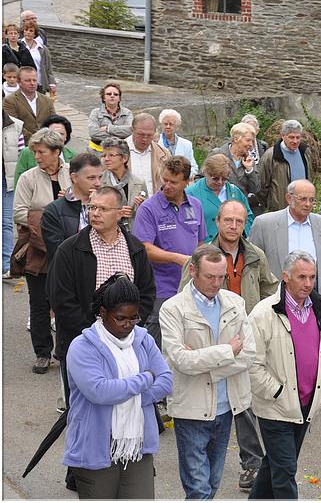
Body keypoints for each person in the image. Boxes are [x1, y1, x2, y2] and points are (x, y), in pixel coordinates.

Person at [177, 199, 277, 491]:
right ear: (217, 222)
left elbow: (270, 291)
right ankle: (203, 468)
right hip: (209, 340)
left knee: (244, 403)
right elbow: (184, 296)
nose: (234, 226)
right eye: (228, 220)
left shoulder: (256, 255)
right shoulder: (201, 256)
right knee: (215, 401)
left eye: (239, 221)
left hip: (244, 340)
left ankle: (251, 463)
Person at [63, 274, 172, 499]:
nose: (128, 325)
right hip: (95, 447)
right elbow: (100, 391)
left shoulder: (144, 339)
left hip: (138, 447)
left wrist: (129, 395)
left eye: (134, 319)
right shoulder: (82, 347)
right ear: (103, 313)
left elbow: (166, 381)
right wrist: (145, 378)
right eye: (121, 318)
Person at [160, 244, 256, 499]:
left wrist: (205, 364)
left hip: (226, 408)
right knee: (198, 489)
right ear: (192, 271)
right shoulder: (172, 309)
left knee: (212, 485)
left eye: (221, 276)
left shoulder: (236, 303)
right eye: (209, 277)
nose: (216, 283)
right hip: (191, 409)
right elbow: (181, 360)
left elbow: (249, 354)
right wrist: (227, 351)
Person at [47, 186, 156, 403]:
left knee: (125, 404)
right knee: (83, 411)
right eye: (92, 207)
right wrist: (94, 334)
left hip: (126, 343)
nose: (94, 213)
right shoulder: (70, 249)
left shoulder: (135, 248)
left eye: (103, 209)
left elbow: (147, 292)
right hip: (82, 342)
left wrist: (130, 325)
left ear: (120, 213)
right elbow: (61, 299)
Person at [248, 250, 321, 500]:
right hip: (275, 408)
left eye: (312, 277)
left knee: (274, 466)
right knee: (286, 471)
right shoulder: (263, 313)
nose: (308, 284)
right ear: (286, 277)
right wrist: (276, 391)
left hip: (307, 406)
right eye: (301, 277)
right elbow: (252, 364)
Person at [13, 128, 70, 374]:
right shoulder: (28, 177)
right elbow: (18, 212)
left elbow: (86, 202)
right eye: (34, 151)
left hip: (68, 246)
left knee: (66, 302)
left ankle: (66, 352)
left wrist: (67, 202)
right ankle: (42, 354)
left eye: (41, 152)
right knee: (38, 303)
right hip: (37, 248)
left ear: (57, 152)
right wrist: (53, 212)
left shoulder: (72, 173)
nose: (36, 156)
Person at [132, 156, 206, 347]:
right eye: (164, 180)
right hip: (161, 288)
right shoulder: (148, 208)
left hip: (191, 287)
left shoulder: (196, 206)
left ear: (186, 182)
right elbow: (144, 248)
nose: (167, 186)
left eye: (173, 182)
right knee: (157, 341)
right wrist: (177, 259)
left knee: (189, 340)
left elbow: (201, 242)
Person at [248, 179, 321, 292]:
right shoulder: (265, 224)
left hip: (312, 298)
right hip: (276, 297)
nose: (308, 204)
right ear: (289, 198)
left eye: (312, 200)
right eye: (303, 199)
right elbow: (253, 265)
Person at [41, 153, 103, 262]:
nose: (98, 183)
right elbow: (58, 252)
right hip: (70, 272)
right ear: (74, 177)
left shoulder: (106, 206)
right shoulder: (54, 210)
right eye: (91, 178)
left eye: (100, 177)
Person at [186, 153, 253, 242]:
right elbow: (188, 225)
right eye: (215, 178)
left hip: (233, 245)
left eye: (224, 179)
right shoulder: (191, 193)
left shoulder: (234, 192)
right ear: (206, 173)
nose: (220, 182)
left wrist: (241, 234)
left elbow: (249, 217)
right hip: (205, 247)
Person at [257, 119, 311, 213]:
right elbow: (261, 186)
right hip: (280, 209)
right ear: (282, 136)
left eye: (298, 137)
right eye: (291, 137)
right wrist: (272, 205)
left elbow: (309, 178)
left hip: (303, 208)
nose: (295, 141)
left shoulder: (304, 152)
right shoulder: (271, 155)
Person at [100, 137, 148, 229]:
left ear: (124, 158)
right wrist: (117, 213)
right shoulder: (99, 182)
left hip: (133, 233)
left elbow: (147, 214)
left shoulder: (139, 183)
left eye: (111, 155)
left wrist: (142, 206)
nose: (106, 159)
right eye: (104, 155)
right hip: (108, 232)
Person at [15, 114, 75, 186]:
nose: (57, 136)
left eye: (61, 134)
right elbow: (18, 182)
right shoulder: (27, 153)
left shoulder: (74, 155)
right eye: (53, 133)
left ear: (66, 137)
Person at [209, 122, 260, 206]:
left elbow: (255, 189)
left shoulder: (249, 160)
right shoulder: (218, 154)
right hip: (218, 206)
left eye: (252, 141)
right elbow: (200, 178)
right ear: (236, 139)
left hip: (240, 208)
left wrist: (249, 170)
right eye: (248, 140)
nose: (251, 144)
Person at [3, 66, 55, 141]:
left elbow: (54, 121)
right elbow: (14, 125)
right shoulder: (10, 101)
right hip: (24, 143)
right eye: (27, 81)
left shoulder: (46, 100)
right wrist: (35, 140)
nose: (32, 83)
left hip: (47, 142)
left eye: (34, 80)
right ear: (19, 82)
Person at [126, 113, 170, 195]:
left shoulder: (163, 154)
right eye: (141, 134)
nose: (145, 139)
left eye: (149, 135)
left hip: (154, 204)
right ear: (132, 130)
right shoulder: (117, 152)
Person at [2, 111, 23, 278]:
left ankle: (6, 264)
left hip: (6, 179)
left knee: (6, 222)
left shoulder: (16, 125)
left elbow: (20, 154)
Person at [87, 83, 134, 155]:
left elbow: (130, 131)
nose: (112, 96)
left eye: (115, 94)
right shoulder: (95, 112)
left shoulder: (127, 113)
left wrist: (108, 129)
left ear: (119, 98)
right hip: (97, 151)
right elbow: (93, 133)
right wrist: (120, 135)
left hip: (120, 153)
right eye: (109, 94)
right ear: (103, 98)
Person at [157, 109, 198, 178]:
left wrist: (182, 177)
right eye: (165, 124)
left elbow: (193, 167)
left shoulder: (186, 144)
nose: (168, 126)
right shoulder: (155, 143)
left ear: (177, 126)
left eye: (171, 124)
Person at [21, 20, 55, 96]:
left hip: (39, 82)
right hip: (23, 83)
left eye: (31, 31)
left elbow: (48, 68)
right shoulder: (19, 45)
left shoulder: (42, 48)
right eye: (26, 30)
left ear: (35, 33)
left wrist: (52, 83)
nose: (28, 32)